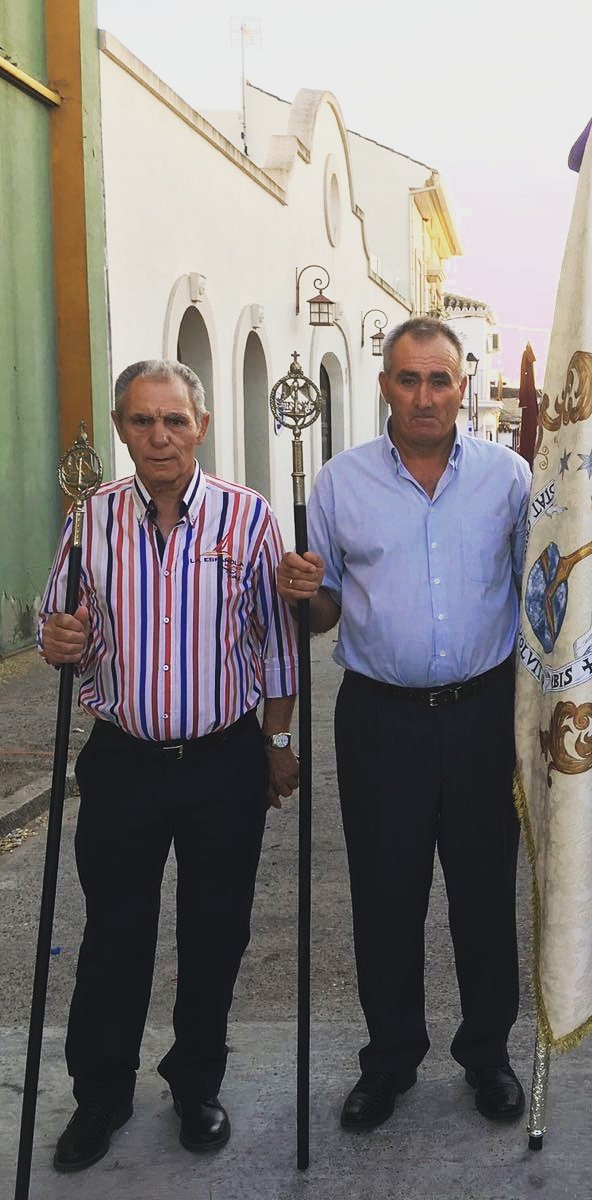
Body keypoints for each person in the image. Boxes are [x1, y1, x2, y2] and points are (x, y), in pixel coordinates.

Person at [38, 359, 299, 1171]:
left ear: (202, 426)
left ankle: (196, 1085)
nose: (160, 436)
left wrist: (279, 743)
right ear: (121, 430)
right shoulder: (90, 521)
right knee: (116, 934)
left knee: (214, 933)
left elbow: (277, 640)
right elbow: (59, 623)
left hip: (222, 761)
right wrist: (58, 639)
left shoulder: (247, 518)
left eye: (175, 421)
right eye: (143, 422)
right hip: (122, 764)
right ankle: (101, 1097)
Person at [277, 318, 532, 1130]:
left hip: (484, 714)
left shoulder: (510, 479)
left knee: (486, 896)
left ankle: (487, 1053)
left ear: (463, 386)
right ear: (384, 384)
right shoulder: (340, 482)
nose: (425, 396)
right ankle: (389, 1060)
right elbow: (319, 614)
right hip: (380, 721)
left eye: (440, 380)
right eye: (408, 379)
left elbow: (545, 593)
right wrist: (301, 591)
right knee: (386, 897)